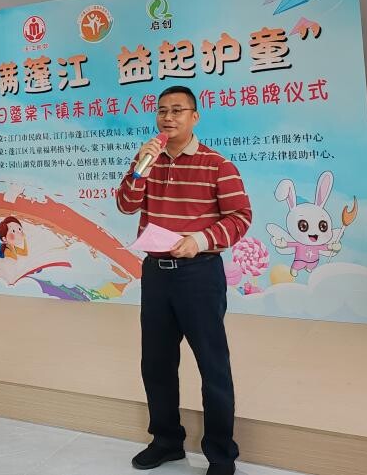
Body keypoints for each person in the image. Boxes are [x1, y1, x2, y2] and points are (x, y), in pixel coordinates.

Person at [116, 85, 252, 475]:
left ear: (195, 117)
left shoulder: (217, 164)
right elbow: (125, 204)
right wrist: (140, 169)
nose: (168, 117)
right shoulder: (146, 159)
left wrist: (200, 240)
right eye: (162, 110)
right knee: (156, 363)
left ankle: (221, 455)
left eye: (177, 110)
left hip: (199, 275)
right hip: (156, 275)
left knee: (213, 365)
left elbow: (240, 217)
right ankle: (166, 441)